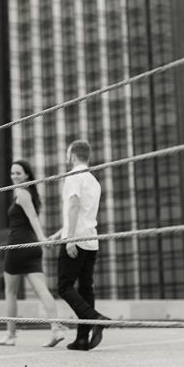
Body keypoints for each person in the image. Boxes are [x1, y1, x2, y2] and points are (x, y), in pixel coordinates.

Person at [0, 159, 66, 347]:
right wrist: (40, 240)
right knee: (42, 289)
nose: (14, 176)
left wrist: (42, 237)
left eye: (18, 173)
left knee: (10, 292)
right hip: (32, 247)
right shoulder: (31, 193)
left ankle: (10, 335)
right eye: (12, 173)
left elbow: (33, 217)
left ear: (27, 175)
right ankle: (56, 329)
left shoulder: (22, 192)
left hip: (18, 245)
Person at [50, 139, 110, 351]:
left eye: (68, 155)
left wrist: (69, 239)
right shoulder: (94, 181)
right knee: (86, 288)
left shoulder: (73, 176)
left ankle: (95, 318)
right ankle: (83, 339)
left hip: (76, 239)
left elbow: (74, 207)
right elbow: (83, 213)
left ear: (73, 155)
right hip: (91, 240)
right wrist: (60, 234)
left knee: (64, 287)